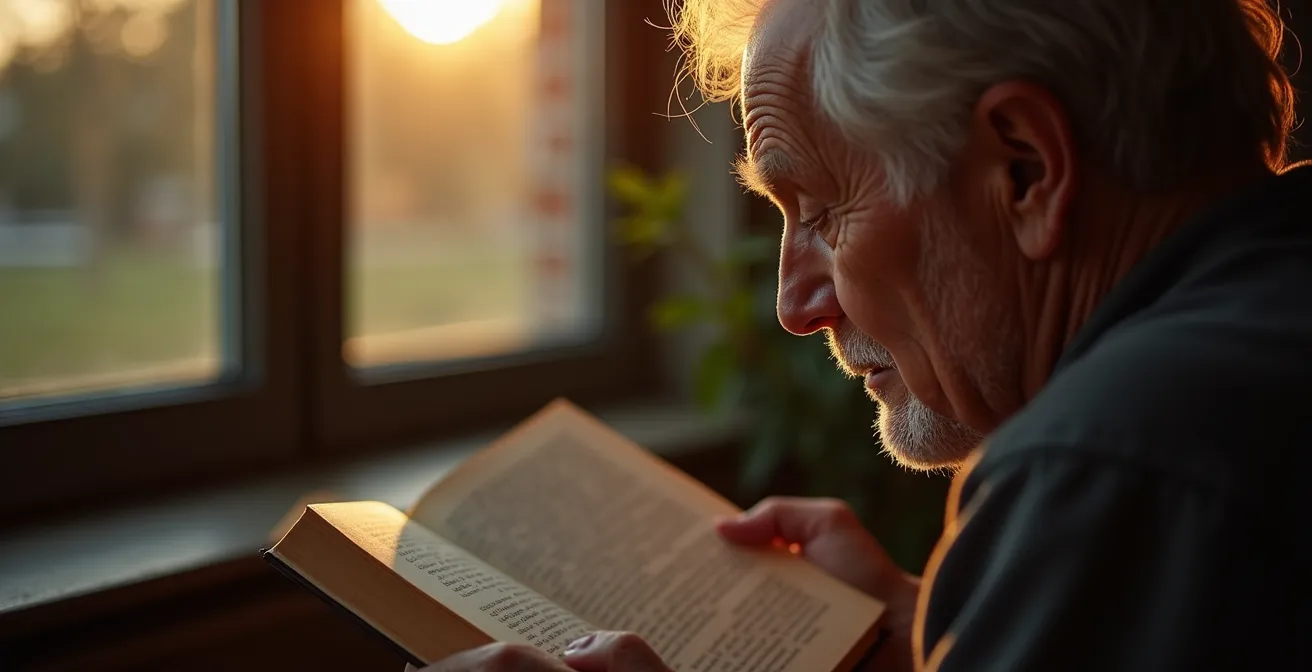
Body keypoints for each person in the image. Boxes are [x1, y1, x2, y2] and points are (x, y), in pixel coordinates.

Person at [416, 0, 1309, 669]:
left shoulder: (1108, 462)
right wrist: (934, 630)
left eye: (821, 209)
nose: (797, 305)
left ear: (1026, 169)